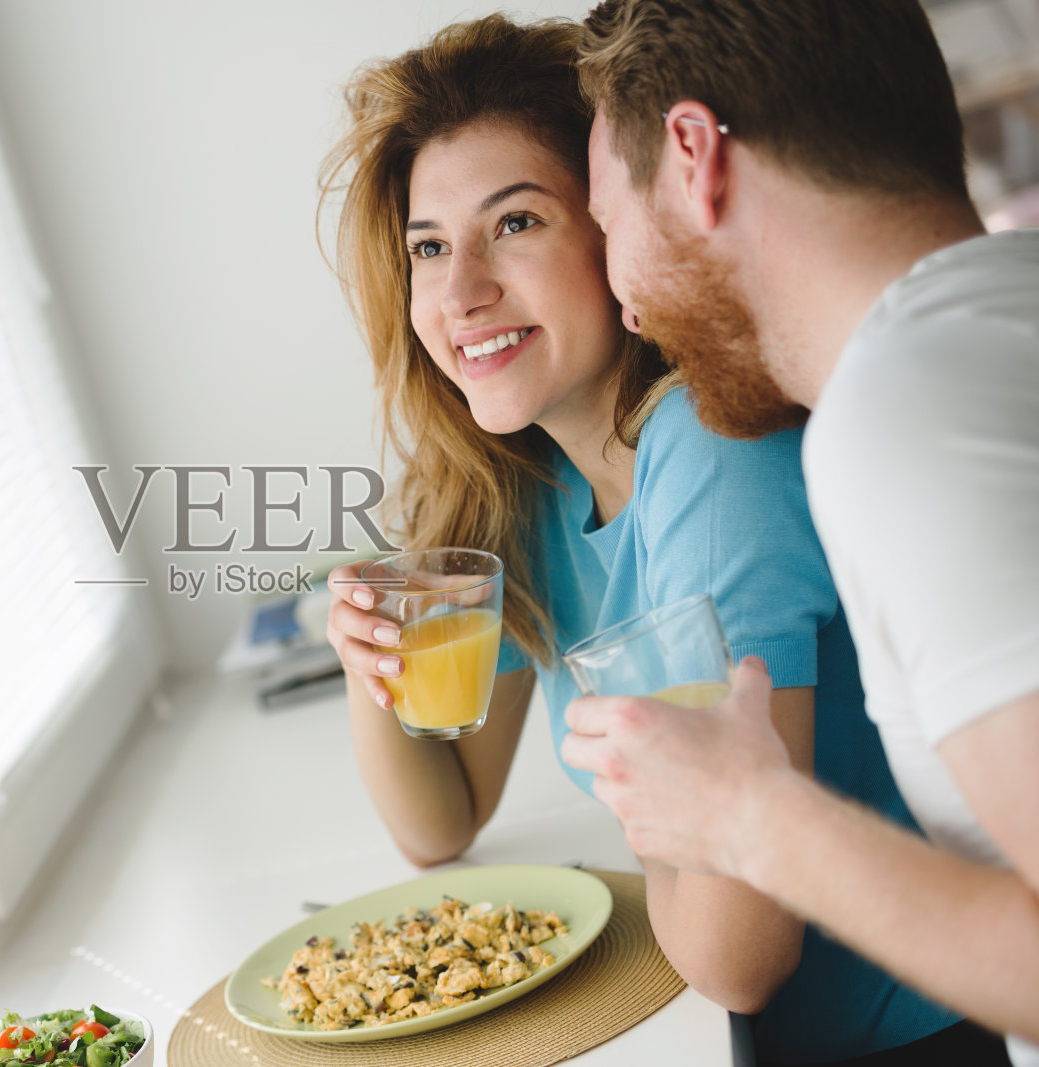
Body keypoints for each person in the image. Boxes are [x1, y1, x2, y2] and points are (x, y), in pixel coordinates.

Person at [317, 15, 981, 1065]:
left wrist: (645, 826)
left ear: (615, 224)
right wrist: (365, 653)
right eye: (429, 246)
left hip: (906, 1038)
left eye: (516, 222)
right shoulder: (530, 482)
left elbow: (736, 953)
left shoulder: (714, 457)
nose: (460, 292)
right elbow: (440, 822)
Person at [565, 2, 1039, 1064]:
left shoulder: (907, 414)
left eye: (607, 223)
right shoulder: (1006, 307)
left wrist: (749, 816)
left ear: (694, 156)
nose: (627, 307)